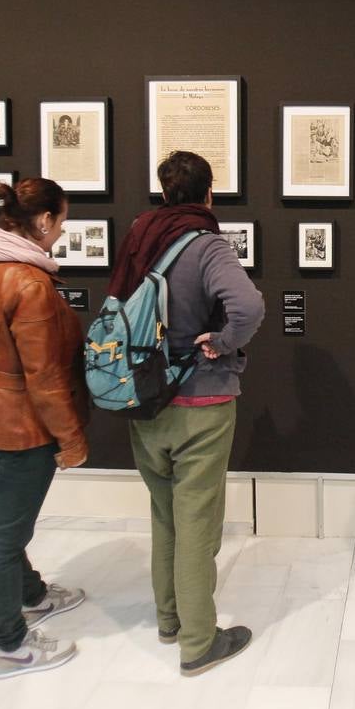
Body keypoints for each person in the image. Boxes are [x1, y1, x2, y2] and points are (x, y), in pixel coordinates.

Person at [110, 150, 265, 676]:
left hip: (144, 400)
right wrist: (222, 343)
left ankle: (170, 619)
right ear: (208, 194)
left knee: (164, 514)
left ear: (163, 190)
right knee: (197, 520)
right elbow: (248, 306)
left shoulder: (139, 237)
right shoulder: (206, 245)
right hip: (200, 400)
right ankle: (199, 643)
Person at [0, 177, 90, 679]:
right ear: (45, 220)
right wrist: (71, 439)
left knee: (8, 522)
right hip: (23, 426)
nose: (61, 232)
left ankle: (31, 595)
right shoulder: (29, 282)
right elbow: (44, 376)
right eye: (62, 221)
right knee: (6, 537)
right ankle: (12, 646)